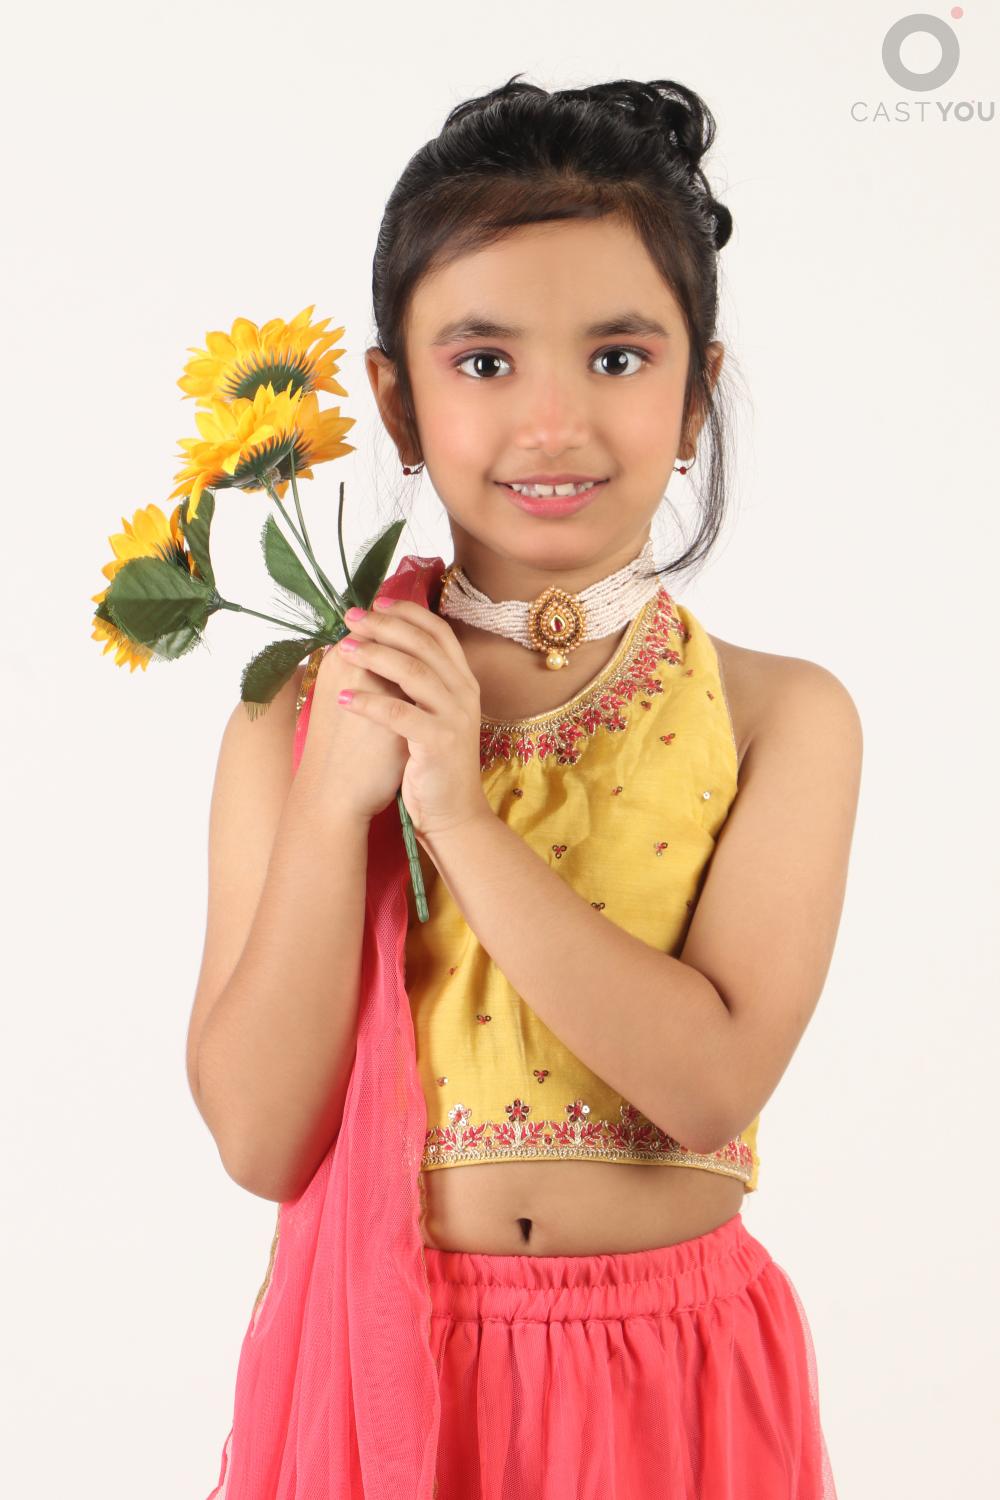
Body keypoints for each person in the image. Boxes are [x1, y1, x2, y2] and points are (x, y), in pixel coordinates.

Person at [190, 76, 861, 1499]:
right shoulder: (306, 715)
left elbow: (707, 1087)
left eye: (617, 357)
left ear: (697, 394)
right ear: (397, 399)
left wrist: (457, 816)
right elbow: (258, 1135)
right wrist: (335, 802)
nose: (553, 422)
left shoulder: (777, 717)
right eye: (485, 363)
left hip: (675, 1385)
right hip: (392, 1377)